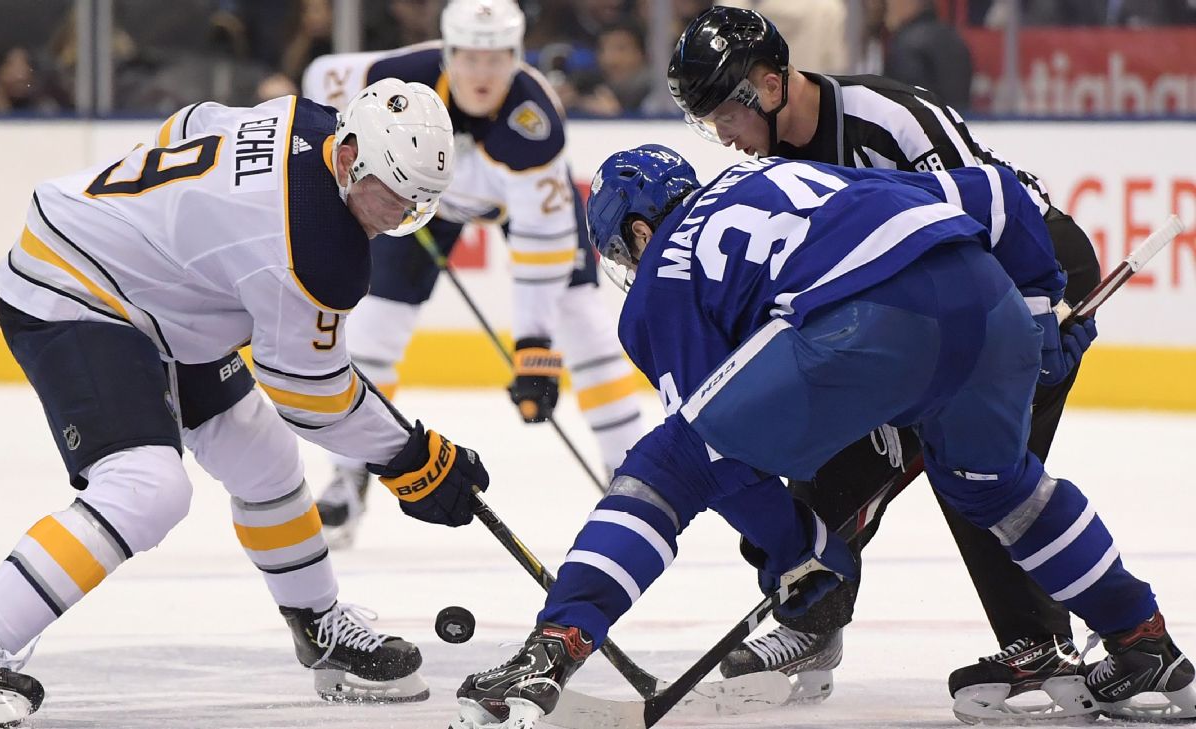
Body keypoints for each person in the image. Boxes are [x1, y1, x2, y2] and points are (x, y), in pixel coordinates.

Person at [450, 145, 1195, 729]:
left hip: (866, 325)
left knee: (666, 464)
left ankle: (553, 645)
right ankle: (1143, 641)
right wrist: (1034, 312)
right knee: (997, 485)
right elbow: (997, 195)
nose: (627, 267)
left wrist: (801, 550)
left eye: (623, 249)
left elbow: (719, 458)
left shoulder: (659, 281)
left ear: (641, 228)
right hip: (985, 296)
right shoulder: (783, 172)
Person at [0, 79, 492, 727]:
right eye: (393, 196)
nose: (397, 218)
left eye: (416, 206)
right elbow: (310, 393)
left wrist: (177, 236)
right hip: (75, 285)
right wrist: (410, 456)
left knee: (264, 455)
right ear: (350, 157)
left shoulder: (309, 117)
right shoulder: (319, 245)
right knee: (147, 485)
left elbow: (191, 121)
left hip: (154, 289)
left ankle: (318, 623)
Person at [666, 6, 1108, 719]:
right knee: (825, 437)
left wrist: (1033, 321)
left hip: (1035, 273)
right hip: (937, 303)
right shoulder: (777, 167)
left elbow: (996, 217)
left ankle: (1044, 648)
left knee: (976, 466)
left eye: (724, 112)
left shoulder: (888, 118)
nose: (722, 135)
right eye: (706, 119)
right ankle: (812, 625)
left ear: (770, 85)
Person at [302, 0, 648, 547]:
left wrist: (534, 346)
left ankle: (633, 476)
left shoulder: (533, 123)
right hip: (421, 197)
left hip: (512, 207)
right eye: (469, 56)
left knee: (583, 321)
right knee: (375, 331)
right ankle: (346, 480)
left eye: (497, 58)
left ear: (516, 56)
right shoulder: (401, 76)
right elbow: (322, 80)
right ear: (447, 52)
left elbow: (541, 245)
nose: (482, 73)